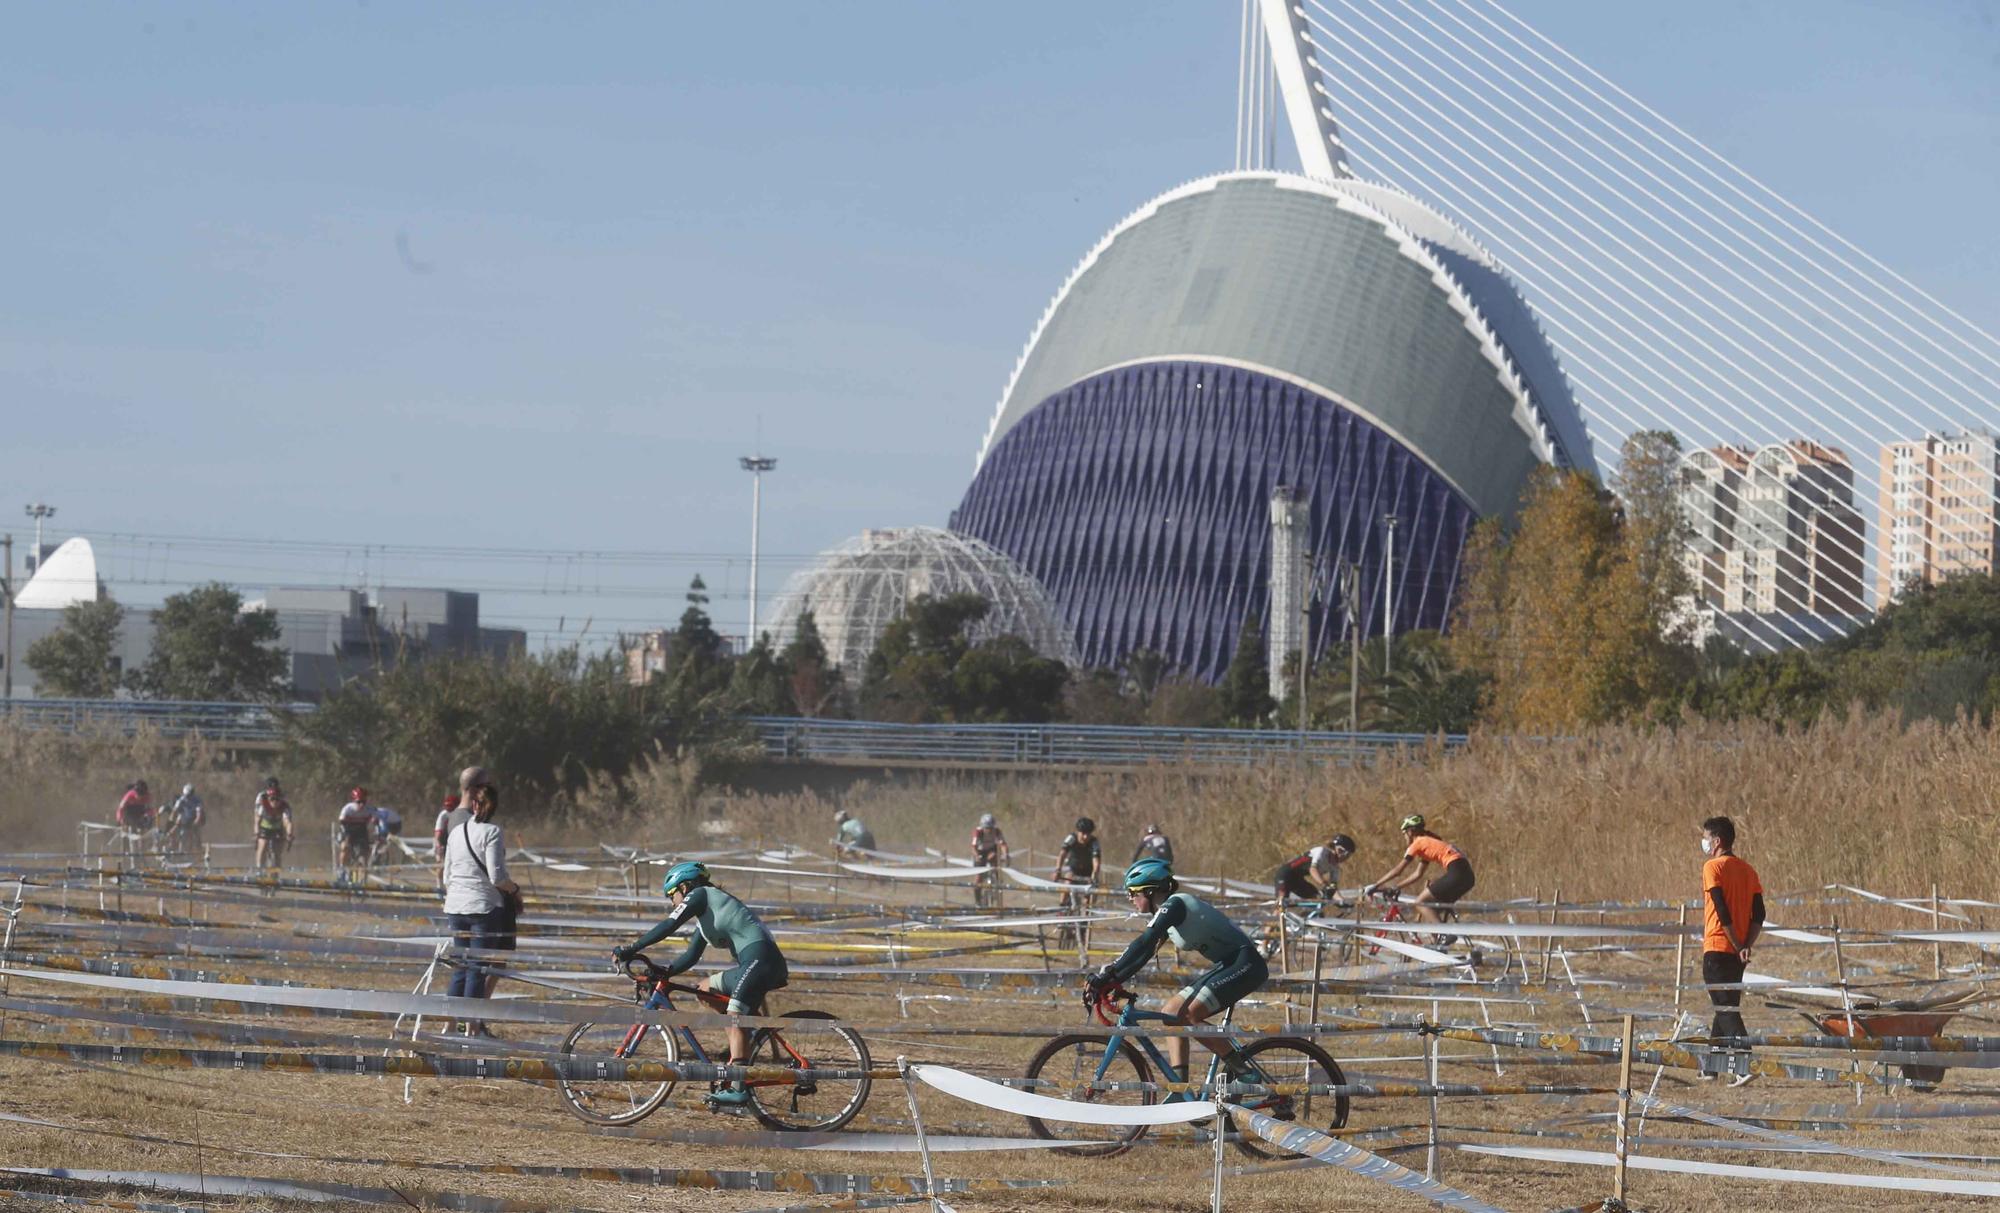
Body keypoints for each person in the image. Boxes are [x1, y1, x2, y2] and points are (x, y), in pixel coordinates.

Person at [613, 860, 788, 1108]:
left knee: (734, 1014)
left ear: (684, 886)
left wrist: (631, 949)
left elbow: (669, 924)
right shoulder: (707, 916)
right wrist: (665, 972)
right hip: (752, 963)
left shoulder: (701, 894)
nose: (671, 901)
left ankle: (739, 1088)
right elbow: (691, 956)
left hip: (763, 959)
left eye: (671, 895)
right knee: (705, 990)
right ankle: (745, 1040)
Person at [1088, 858, 1266, 1080]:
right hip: (1229, 964)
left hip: (1246, 964)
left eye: (1133, 892)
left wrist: (1108, 974)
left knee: (1191, 1014)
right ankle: (1181, 1088)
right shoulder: (1166, 916)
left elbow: (1144, 941)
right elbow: (1144, 954)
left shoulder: (1174, 905)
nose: (1130, 898)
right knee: (1171, 1013)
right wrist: (1114, 980)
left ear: (1150, 891)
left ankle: (1242, 1069)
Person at [441, 776, 520, 1034]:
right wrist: (515, 890)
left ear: (473, 805)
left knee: (461, 968)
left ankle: (449, 1024)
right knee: (478, 969)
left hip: (455, 906)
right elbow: (497, 877)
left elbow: (446, 876)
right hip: (483, 907)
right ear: (493, 806)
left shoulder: (455, 832)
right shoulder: (492, 832)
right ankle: (472, 1027)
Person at [1699, 814, 1764, 1087]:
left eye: (1705, 838)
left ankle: (1743, 1064)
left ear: (1716, 841)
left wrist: (1737, 944)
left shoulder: (1712, 867)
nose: (1702, 843)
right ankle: (1711, 1067)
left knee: (1725, 1009)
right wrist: (1746, 945)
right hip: (1736, 954)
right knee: (1724, 1007)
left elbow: (1721, 908)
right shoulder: (1748, 870)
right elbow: (1759, 913)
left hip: (1717, 946)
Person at [1367, 815, 1474, 926]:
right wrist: (1396, 887)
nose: (1404, 837)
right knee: (1432, 911)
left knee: (1420, 903)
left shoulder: (1417, 843)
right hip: (1468, 876)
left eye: (1404, 834)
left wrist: (1375, 885)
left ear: (1410, 832)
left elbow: (1398, 870)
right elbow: (1418, 874)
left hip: (1456, 872)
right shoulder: (1428, 843)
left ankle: (1444, 935)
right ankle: (1438, 940)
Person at [1274, 834, 1355, 906]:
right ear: (1340, 850)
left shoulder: (1335, 868)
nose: (1347, 858)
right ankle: (1272, 920)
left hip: (1296, 879)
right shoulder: (1322, 851)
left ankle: (1306, 919)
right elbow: (1313, 870)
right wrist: (1324, 885)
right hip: (1284, 875)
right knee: (1281, 906)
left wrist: (1342, 901)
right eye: (1347, 855)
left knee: (1317, 899)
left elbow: (1333, 889)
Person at [252, 778, 293, 871]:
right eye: (272, 799)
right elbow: (257, 819)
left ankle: (276, 873)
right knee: (262, 846)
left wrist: (289, 834)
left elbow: (287, 822)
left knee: (277, 852)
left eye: (277, 799)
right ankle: (259, 870)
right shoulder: (261, 799)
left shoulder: (284, 805)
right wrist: (256, 833)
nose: (275, 801)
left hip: (278, 827)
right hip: (264, 826)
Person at [336, 787, 373, 882]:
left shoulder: (369, 810)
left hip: (361, 830)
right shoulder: (348, 808)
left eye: (363, 802)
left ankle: (363, 876)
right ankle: (341, 870)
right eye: (358, 802)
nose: (361, 804)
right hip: (348, 829)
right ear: (354, 801)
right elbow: (342, 824)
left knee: (365, 852)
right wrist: (346, 838)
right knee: (345, 847)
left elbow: (373, 823)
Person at [1053, 817, 1102, 886]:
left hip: (1088, 872)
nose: (1085, 837)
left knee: (1091, 891)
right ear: (1078, 832)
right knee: (1067, 885)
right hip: (1073, 870)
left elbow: (1096, 862)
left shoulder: (1094, 842)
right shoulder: (1071, 838)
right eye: (1083, 833)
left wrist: (1094, 876)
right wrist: (1058, 870)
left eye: (1088, 834)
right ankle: (1064, 897)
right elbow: (1062, 854)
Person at [116, 780, 153, 854]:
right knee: (126, 830)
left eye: (142, 795)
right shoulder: (129, 795)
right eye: (139, 794)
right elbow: (120, 809)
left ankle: (142, 849)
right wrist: (120, 820)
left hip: (139, 813)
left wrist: (148, 817)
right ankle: (124, 849)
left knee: (144, 827)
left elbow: (151, 810)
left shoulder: (147, 796)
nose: (140, 797)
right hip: (128, 812)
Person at [167, 783, 205, 856]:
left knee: (196, 835)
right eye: (186, 795)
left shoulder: (197, 800)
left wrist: (196, 821)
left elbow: (199, 813)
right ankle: (173, 846)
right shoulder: (182, 799)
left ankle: (199, 851)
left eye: (189, 795)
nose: (187, 797)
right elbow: (175, 809)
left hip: (194, 819)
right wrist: (171, 818)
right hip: (185, 819)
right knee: (178, 829)